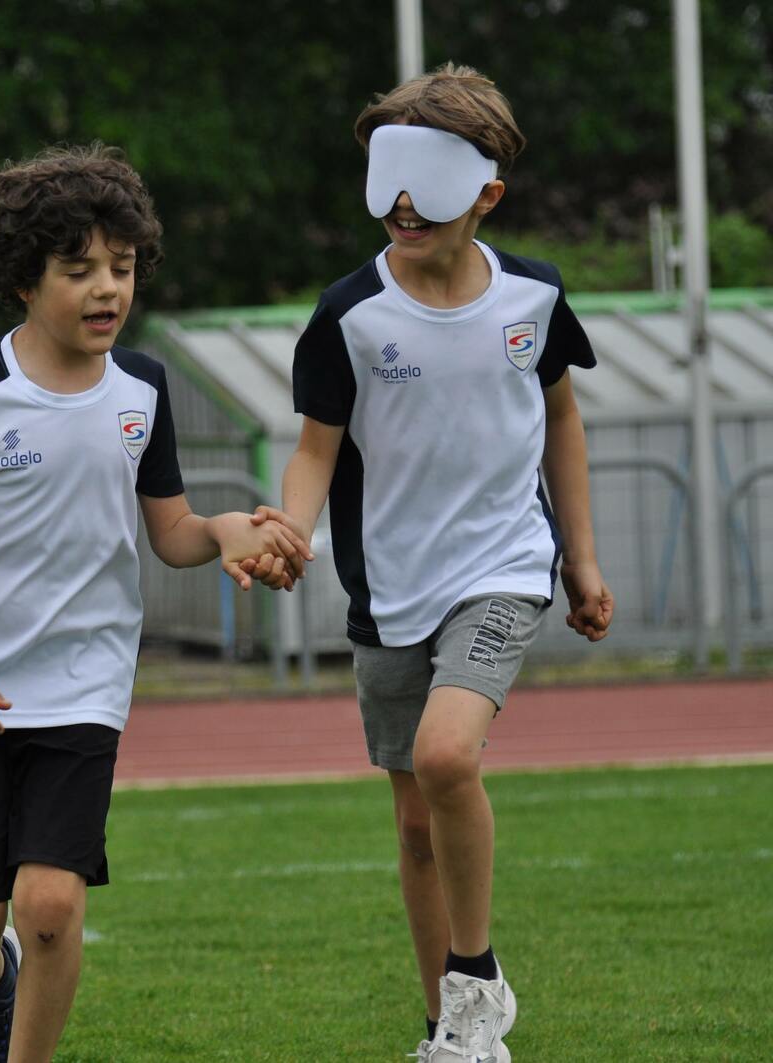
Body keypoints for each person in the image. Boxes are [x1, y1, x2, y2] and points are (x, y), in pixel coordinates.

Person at [0, 142, 309, 1063]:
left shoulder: (144, 388)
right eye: (79, 270)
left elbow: (171, 530)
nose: (107, 289)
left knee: (52, 903)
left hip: (85, 684)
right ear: (25, 281)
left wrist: (228, 531)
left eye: (123, 267)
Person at [247, 64, 615, 1062]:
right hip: (390, 587)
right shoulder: (349, 314)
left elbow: (561, 420)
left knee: (448, 755)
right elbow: (315, 450)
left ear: (487, 193)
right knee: (415, 823)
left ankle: (478, 975)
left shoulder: (535, 295)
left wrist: (579, 561)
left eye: (429, 184)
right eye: (389, 182)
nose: (404, 206)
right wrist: (290, 530)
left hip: (502, 566)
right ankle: (450, 1031)